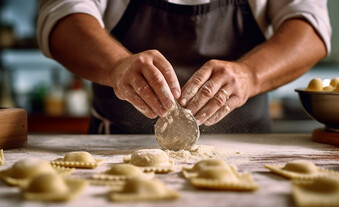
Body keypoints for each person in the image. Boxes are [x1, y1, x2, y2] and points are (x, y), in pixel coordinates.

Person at [37, 0, 331, 134]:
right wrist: (116, 65)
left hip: (250, 152)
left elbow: (310, 26)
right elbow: (62, 14)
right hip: (116, 148)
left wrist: (250, 74)